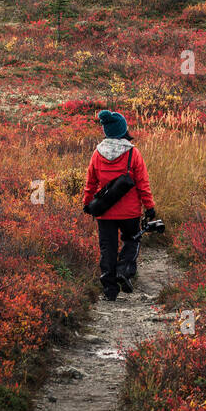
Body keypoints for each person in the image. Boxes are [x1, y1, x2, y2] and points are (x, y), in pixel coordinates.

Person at [82, 109, 157, 301]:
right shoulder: (133, 153)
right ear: (123, 129)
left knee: (107, 248)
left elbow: (90, 182)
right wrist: (149, 208)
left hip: (104, 212)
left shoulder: (97, 154)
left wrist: (87, 203)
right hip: (130, 212)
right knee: (132, 241)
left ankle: (110, 290)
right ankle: (124, 270)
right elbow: (143, 184)